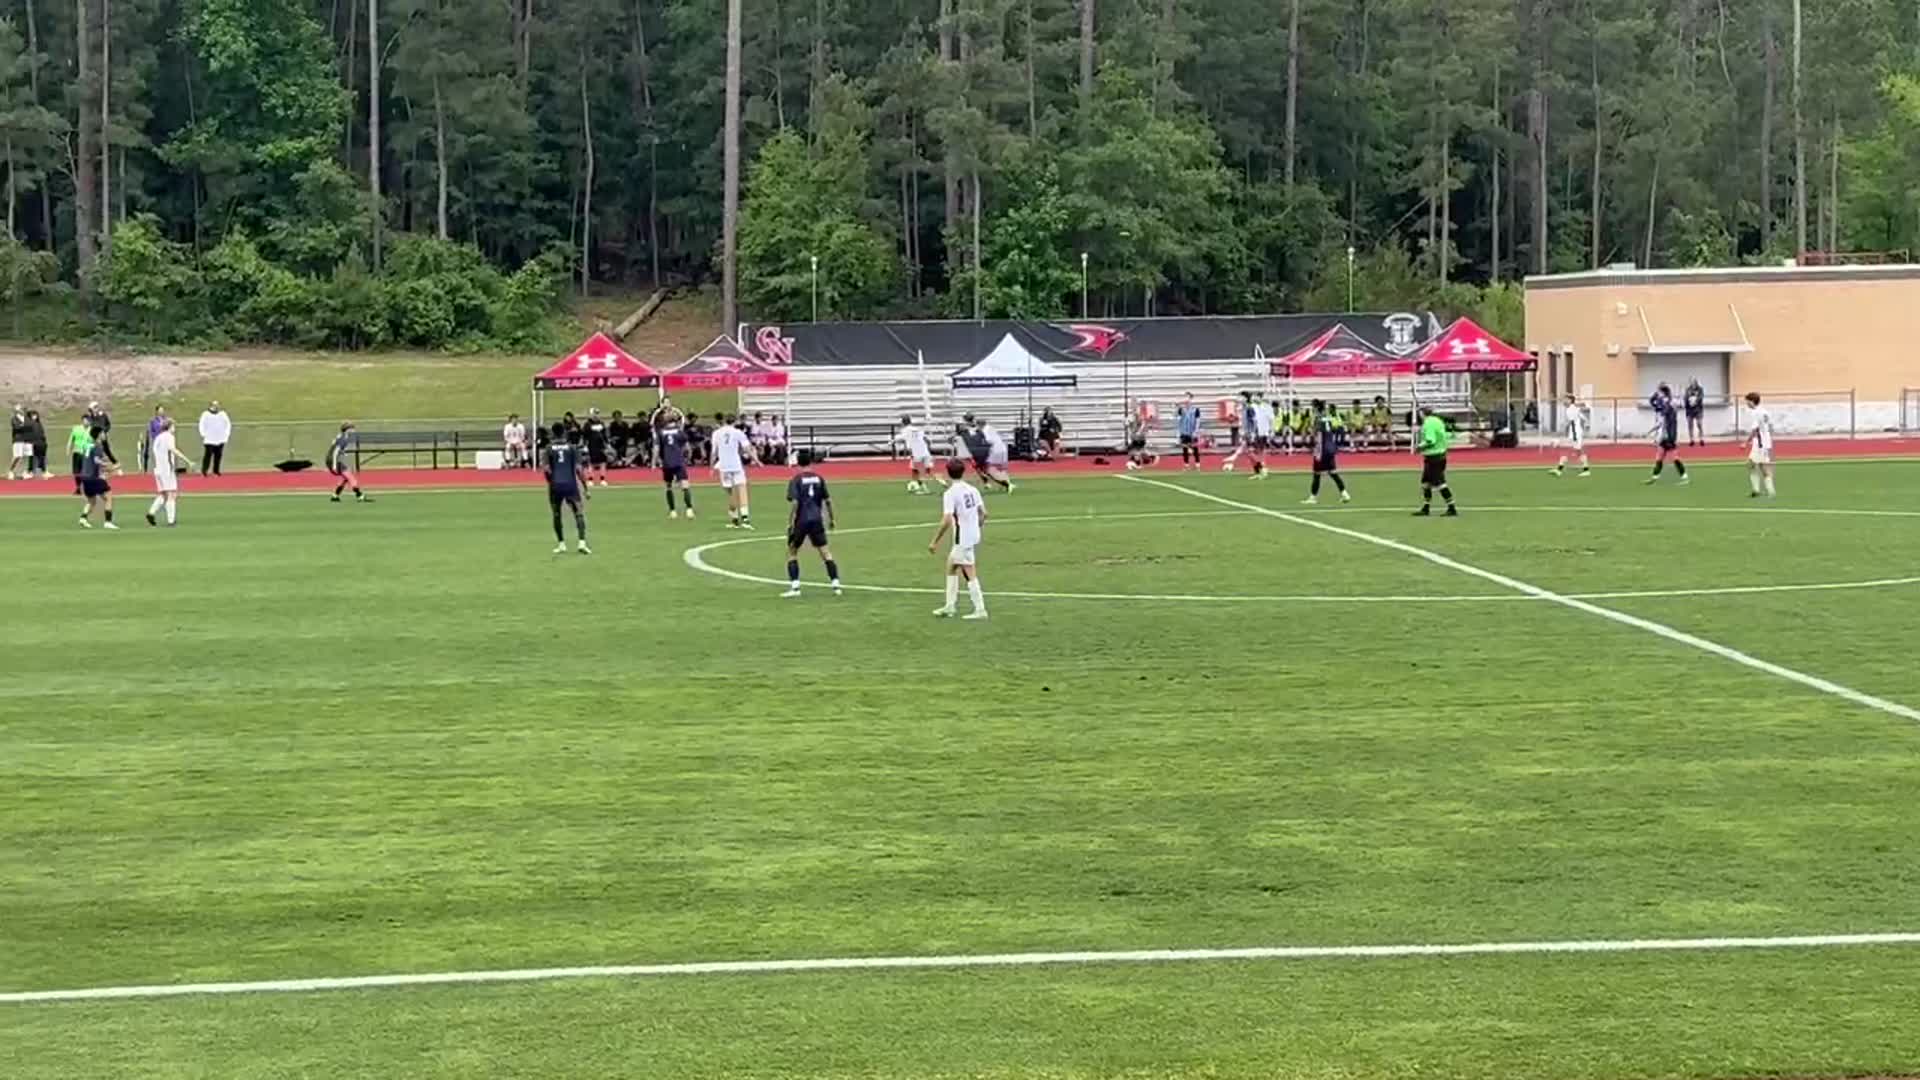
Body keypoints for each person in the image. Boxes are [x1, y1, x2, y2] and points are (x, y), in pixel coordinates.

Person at [929, 458, 988, 620]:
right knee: (951, 566)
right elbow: (984, 514)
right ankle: (950, 605)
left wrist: (935, 541)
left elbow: (947, 519)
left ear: (948, 473)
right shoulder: (972, 490)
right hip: (971, 535)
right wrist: (976, 526)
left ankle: (980, 609)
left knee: (969, 572)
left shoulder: (950, 494)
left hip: (962, 538)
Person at [782, 457, 842, 597]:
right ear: (810, 462)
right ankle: (836, 585)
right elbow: (827, 500)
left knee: (792, 551)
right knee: (825, 552)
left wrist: (790, 522)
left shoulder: (796, 480)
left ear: (798, 463)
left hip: (802, 520)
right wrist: (832, 519)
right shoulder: (819, 479)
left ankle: (795, 588)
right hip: (817, 520)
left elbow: (795, 502)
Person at [544, 421, 591, 554]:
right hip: (570, 485)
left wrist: (550, 482)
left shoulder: (549, 449)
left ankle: (561, 544)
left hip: (555, 486)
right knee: (578, 513)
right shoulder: (572, 448)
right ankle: (582, 543)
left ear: (553, 434)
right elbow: (579, 469)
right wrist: (586, 488)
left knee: (556, 514)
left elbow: (547, 469)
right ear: (564, 433)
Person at [712, 413, 759, 529]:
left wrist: (711, 467)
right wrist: (756, 460)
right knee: (742, 489)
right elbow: (747, 449)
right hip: (736, 465)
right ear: (735, 421)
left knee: (730, 493)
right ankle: (745, 519)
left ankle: (734, 519)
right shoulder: (738, 433)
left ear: (724, 421)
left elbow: (713, 452)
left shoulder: (717, 433)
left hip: (724, 466)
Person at [1301, 400, 1352, 505]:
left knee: (1317, 474)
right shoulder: (1328, 418)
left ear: (1316, 408)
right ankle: (1344, 494)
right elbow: (1335, 429)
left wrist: (1310, 431)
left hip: (1321, 449)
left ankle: (1313, 497)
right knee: (1333, 472)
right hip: (1330, 448)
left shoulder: (1318, 419)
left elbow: (1314, 433)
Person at [145, 418, 192, 527]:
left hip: (158, 468)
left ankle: (151, 512)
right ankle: (171, 520)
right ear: (170, 426)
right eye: (173, 426)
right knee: (172, 494)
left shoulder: (158, 438)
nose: (174, 428)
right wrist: (187, 460)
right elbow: (173, 449)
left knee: (163, 493)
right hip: (167, 469)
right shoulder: (169, 437)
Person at [1413, 406, 1458, 517]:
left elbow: (1430, 440)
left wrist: (1419, 447)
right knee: (1426, 483)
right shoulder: (1437, 421)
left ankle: (1451, 507)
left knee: (1440, 483)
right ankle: (1426, 507)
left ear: (1422, 414)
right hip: (1438, 456)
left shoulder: (1428, 423)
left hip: (1434, 457)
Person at [1644, 382, 1689, 486]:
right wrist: (1651, 431)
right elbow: (1661, 421)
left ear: (1663, 394)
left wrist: (1671, 437)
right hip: (1664, 436)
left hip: (1670, 436)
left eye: (1659, 393)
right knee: (1659, 457)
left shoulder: (1668, 406)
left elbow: (1667, 417)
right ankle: (1654, 478)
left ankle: (1685, 477)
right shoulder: (1666, 405)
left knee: (1674, 458)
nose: (1658, 395)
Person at [77, 426, 121, 528]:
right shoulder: (98, 446)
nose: (104, 435)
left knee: (92, 501)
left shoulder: (87, 445)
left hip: (84, 477)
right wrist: (112, 467)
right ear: (98, 434)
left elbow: (89, 460)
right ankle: (108, 522)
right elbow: (96, 461)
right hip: (93, 477)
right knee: (108, 496)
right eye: (102, 433)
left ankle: (83, 518)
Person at [658, 420, 695, 519]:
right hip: (678, 461)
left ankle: (672, 511)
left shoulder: (661, 432)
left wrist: (657, 460)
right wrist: (688, 458)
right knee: (685, 485)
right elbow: (687, 447)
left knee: (668, 486)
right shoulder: (679, 432)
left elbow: (658, 448)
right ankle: (689, 510)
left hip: (667, 462)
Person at [328, 422, 371, 503]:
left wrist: (342, 452)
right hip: (334, 460)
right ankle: (360, 496)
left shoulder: (341, 436)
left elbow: (334, 444)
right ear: (347, 430)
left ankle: (335, 496)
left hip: (333, 459)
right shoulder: (344, 439)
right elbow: (335, 452)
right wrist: (334, 465)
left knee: (345, 478)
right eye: (352, 429)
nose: (354, 431)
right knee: (350, 477)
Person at [1551, 393, 1592, 477]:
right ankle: (1585, 470)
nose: (1564, 401)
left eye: (1566, 399)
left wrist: (1559, 441)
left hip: (1575, 433)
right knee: (1577, 452)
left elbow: (1571, 421)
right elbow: (1583, 417)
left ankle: (1559, 470)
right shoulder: (1572, 408)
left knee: (1569, 451)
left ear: (1570, 400)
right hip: (1575, 432)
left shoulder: (1571, 409)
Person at [1745, 391, 1777, 498]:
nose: (1746, 403)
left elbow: (1755, 429)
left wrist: (1745, 442)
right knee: (1754, 465)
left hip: (1760, 444)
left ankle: (1767, 491)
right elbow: (1770, 426)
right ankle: (1760, 490)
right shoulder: (1764, 411)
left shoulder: (1756, 413)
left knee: (1760, 466)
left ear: (1752, 401)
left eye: (1747, 401)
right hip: (1764, 443)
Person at [897, 415, 938, 493]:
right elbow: (927, 440)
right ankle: (923, 486)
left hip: (916, 452)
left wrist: (911, 453)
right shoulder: (917, 429)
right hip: (925, 451)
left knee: (915, 470)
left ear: (903, 423)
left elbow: (906, 442)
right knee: (927, 470)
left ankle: (917, 486)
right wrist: (929, 451)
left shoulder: (905, 430)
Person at [198, 401, 232, 475]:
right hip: (209, 439)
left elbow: (228, 424)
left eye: (217, 405)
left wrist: (226, 434)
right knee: (208, 455)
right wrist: (203, 434)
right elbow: (201, 424)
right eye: (214, 405)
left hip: (220, 438)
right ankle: (204, 470)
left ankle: (216, 470)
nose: (216, 406)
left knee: (218, 455)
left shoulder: (223, 414)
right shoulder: (205, 414)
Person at [580, 408, 611, 486]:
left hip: (601, 446)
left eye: (597, 413)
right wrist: (585, 446)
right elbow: (585, 436)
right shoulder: (587, 424)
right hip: (591, 446)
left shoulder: (601, 423)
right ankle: (590, 479)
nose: (596, 415)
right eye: (594, 413)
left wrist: (607, 444)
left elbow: (604, 435)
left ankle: (602, 479)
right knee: (590, 463)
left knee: (603, 463)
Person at [981, 420, 1014, 491]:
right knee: (1001, 468)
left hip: (996, 450)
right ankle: (1006, 484)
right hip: (1003, 448)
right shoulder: (990, 428)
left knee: (989, 469)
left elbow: (988, 441)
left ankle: (1005, 484)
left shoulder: (984, 431)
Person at [1175, 393, 1203, 470]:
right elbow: (1178, 420)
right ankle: (1186, 465)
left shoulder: (1195, 410)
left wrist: (1196, 431)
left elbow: (1198, 421)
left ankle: (1197, 464)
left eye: (1188, 398)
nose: (1187, 401)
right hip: (1184, 432)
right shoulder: (1181, 409)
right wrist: (1179, 432)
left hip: (1192, 432)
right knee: (1185, 449)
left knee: (1195, 448)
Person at [67, 414, 93, 495]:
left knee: (86, 472)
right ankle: (78, 488)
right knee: (76, 472)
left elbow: (94, 442)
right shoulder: (76, 429)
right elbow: (71, 439)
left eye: (88, 420)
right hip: (77, 452)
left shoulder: (92, 430)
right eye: (85, 420)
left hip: (86, 453)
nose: (86, 422)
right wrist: (68, 448)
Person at [1125, 407, 1156, 472]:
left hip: (1139, 437)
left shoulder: (1138, 418)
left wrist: (1138, 431)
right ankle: (1136, 463)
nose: (1137, 413)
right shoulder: (1132, 418)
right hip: (1136, 437)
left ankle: (1134, 463)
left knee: (1137, 450)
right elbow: (1127, 424)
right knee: (1137, 451)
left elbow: (1143, 425)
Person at [141, 406, 168, 472]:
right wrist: (155, 437)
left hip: (165, 441)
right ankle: (155, 470)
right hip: (156, 441)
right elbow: (151, 431)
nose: (162, 411)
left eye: (162, 410)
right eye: (160, 410)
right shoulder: (153, 420)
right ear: (157, 411)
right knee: (156, 456)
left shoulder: (166, 419)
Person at [8, 404, 31, 479]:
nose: (23, 410)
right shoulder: (14, 418)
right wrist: (24, 425)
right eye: (21, 409)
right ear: (17, 410)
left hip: (26, 439)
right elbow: (17, 427)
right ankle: (11, 471)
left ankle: (23, 472)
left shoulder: (26, 418)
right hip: (18, 439)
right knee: (17, 456)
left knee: (25, 456)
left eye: (23, 409)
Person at [1684, 379, 1707, 446]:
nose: (1693, 384)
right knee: (1690, 424)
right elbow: (1685, 397)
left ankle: (1701, 439)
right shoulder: (1688, 389)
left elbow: (1701, 396)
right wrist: (1688, 401)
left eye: (1694, 383)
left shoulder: (1700, 389)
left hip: (1698, 409)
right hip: (1689, 410)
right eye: (1692, 383)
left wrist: (1695, 400)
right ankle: (1691, 440)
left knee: (1699, 424)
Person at [26, 409, 47, 478]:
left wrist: (44, 442)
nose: (35, 416)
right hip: (32, 444)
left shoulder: (39, 424)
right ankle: (30, 472)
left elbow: (42, 434)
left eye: (35, 415)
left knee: (42, 457)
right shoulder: (28, 424)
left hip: (41, 443)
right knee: (31, 458)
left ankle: (43, 472)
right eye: (33, 415)